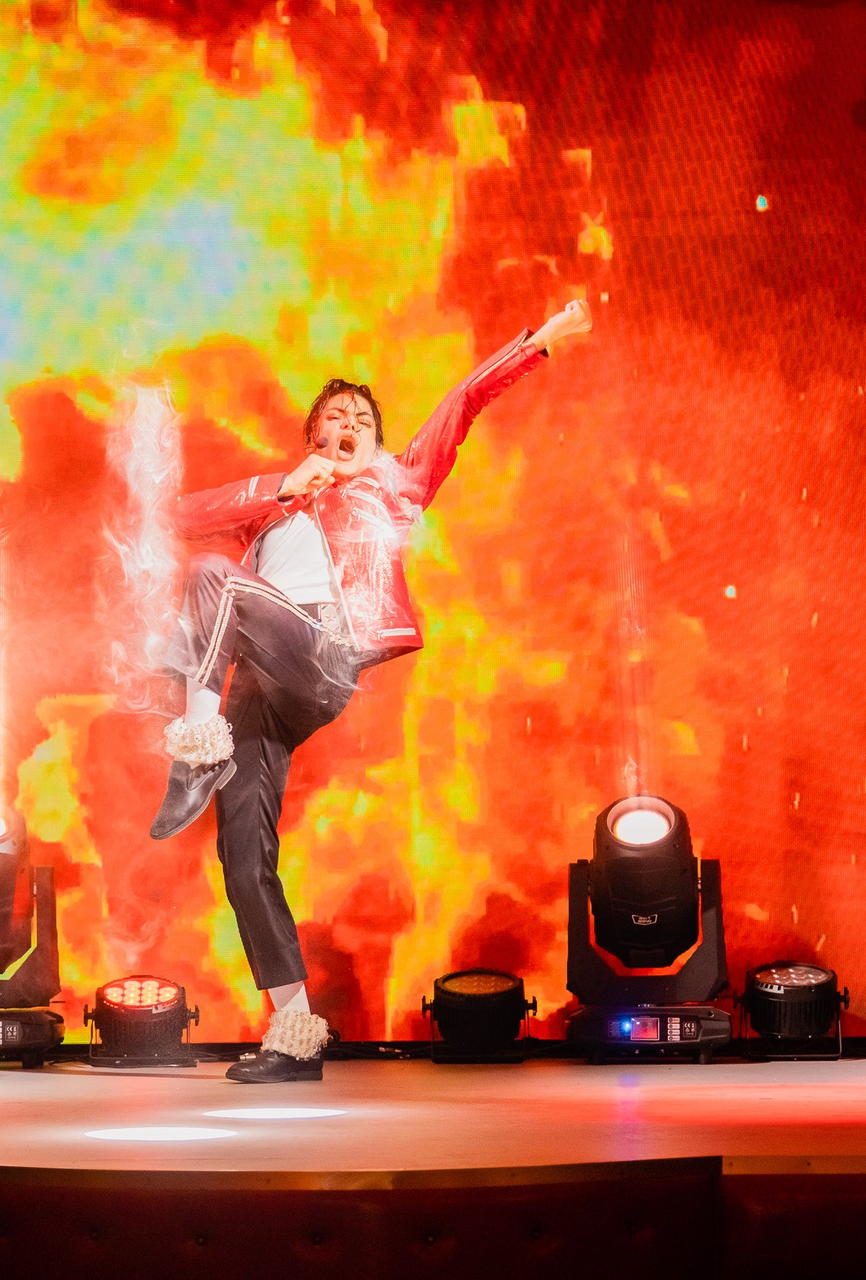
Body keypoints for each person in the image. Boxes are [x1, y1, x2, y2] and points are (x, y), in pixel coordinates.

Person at [151, 296, 596, 1082]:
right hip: (259, 685)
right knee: (244, 857)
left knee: (215, 578)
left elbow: (463, 401)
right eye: (335, 416)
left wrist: (541, 342)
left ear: (377, 441)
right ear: (313, 435)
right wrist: (281, 486)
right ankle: (293, 1036)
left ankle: (195, 747)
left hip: (325, 654)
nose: (349, 423)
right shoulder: (273, 504)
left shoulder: (395, 484)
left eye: (362, 418)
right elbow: (177, 517)